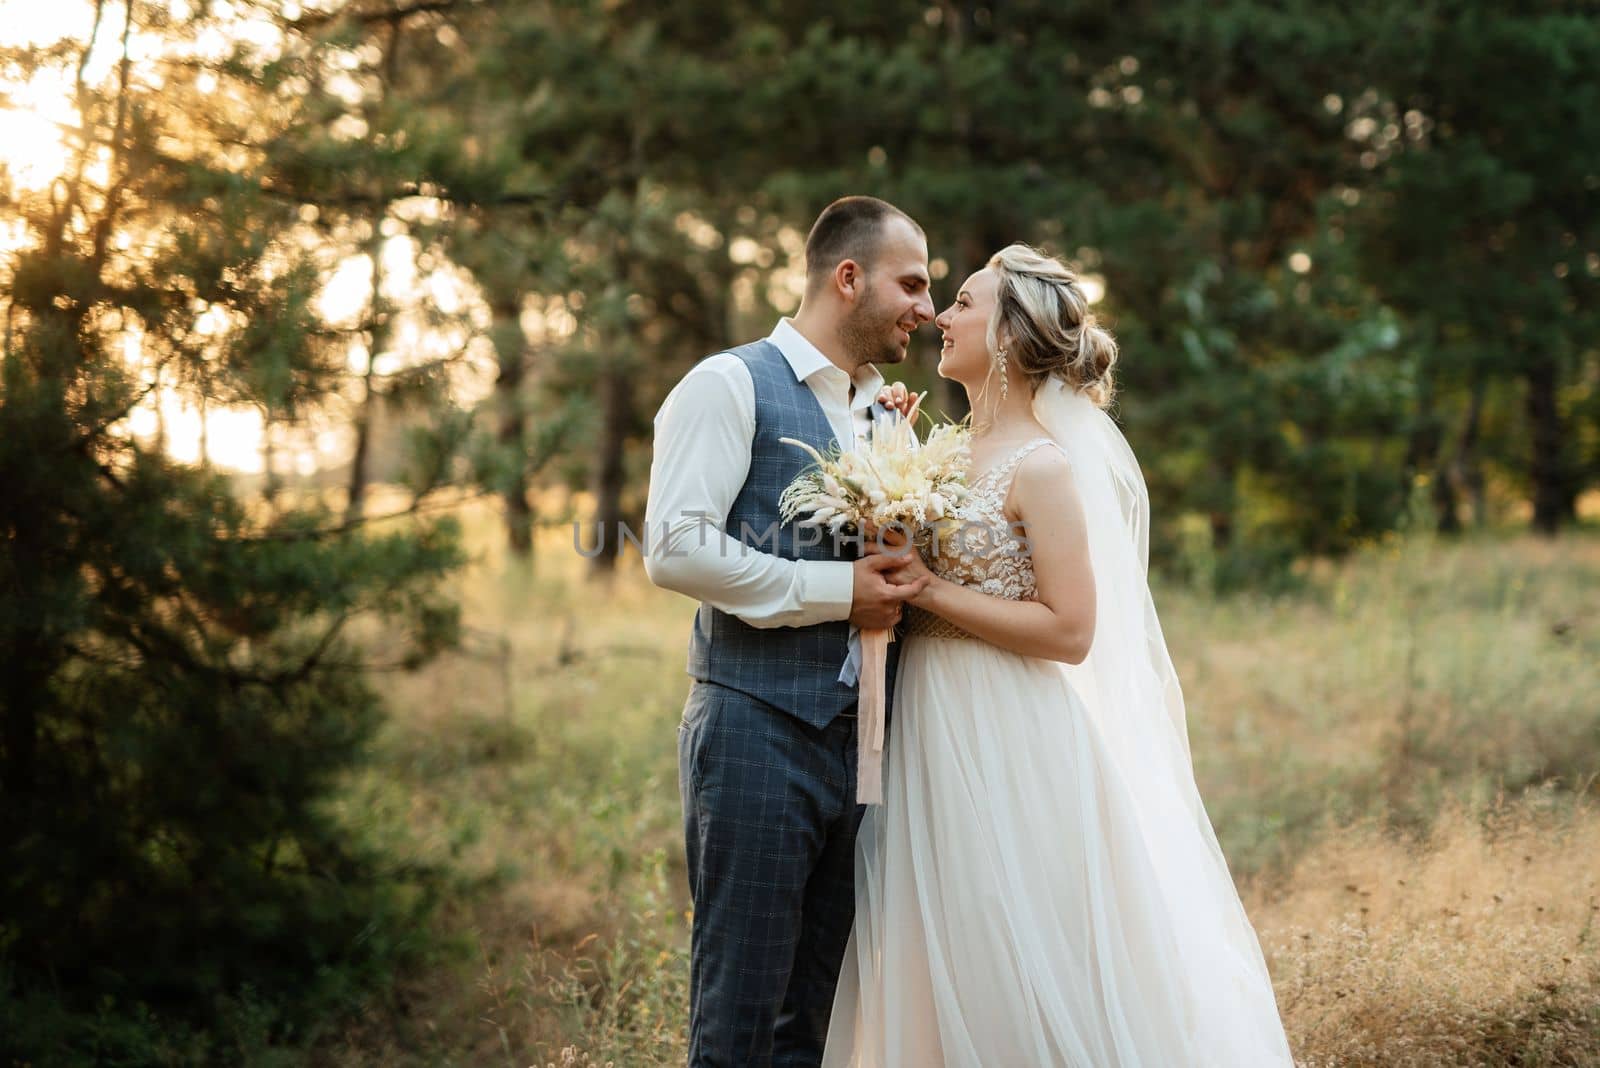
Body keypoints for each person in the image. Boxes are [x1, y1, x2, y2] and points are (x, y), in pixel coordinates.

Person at [822, 244, 1295, 1066]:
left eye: (964, 302)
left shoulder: (1043, 466)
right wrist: (881, 453)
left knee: (1008, 942)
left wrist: (928, 591)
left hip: (1006, 731)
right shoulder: (932, 452)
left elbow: (1073, 631)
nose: (940, 315)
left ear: (1007, 336)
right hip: (920, 727)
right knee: (931, 947)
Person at [643, 195, 932, 1066]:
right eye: (911, 283)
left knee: (810, 1025)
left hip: (866, 751)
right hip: (756, 733)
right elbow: (674, 549)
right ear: (849, 278)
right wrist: (837, 590)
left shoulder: (887, 413)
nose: (924, 306)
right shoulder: (728, 383)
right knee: (737, 1016)